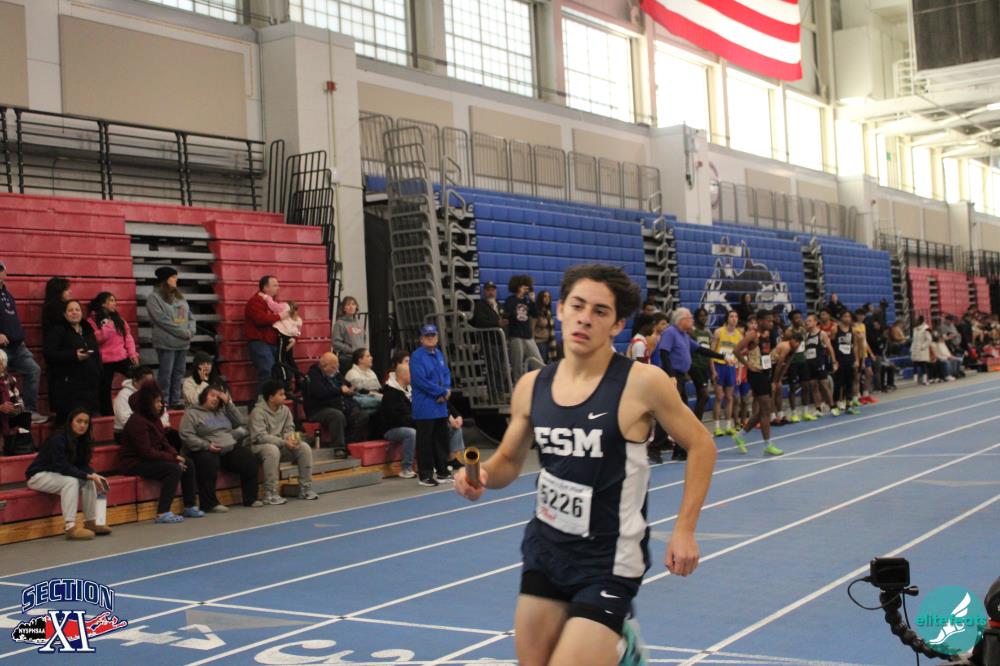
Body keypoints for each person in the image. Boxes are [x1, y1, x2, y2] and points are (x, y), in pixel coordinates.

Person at [453, 264, 716, 666]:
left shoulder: (642, 383)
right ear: (560, 309)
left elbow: (701, 445)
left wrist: (684, 530)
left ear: (617, 324)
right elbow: (507, 460)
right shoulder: (532, 386)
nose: (585, 318)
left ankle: (620, 644)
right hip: (547, 550)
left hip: (608, 560)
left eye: (600, 311)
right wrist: (482, 475)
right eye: (577, 306)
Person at [651, 308, 730, 460]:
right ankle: (655, 446)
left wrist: (722, 357)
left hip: (680, 376)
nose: (692, 321)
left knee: (681, 413)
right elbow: (664, 353)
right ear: (682, 320)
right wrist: (671, 375)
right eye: (690, 318)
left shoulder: (684, 336)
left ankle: (679, 449)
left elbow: (700, 349)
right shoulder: (670, 332)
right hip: (672, 376)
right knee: (670, 412)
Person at [120, 382, 204, 523]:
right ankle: (163, 512)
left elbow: (164, 442)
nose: (161, 405)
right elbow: (145, 452)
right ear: (148, 402)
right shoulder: (136, 422)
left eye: (161, 401)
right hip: (134, 463)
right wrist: (172, 459)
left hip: (149, 459)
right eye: (158, 402)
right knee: (173, 469)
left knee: (187, 463)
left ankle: (189, 506)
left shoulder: (154, 419)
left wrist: (176, 456)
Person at [25, 409, 112, 540]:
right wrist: (88, 475)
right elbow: (62, 466)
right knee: (71, 482)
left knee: (89, 481)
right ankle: (70, 527)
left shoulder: (81, 440)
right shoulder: (57, 439)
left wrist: (94, 475)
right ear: (71, 422)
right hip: (38, 476)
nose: (82, 425)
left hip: (56, 474)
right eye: (79, 421)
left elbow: (82, 465)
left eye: (86, 422)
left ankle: (91, 522)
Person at [179, 384, 260, 511]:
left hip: (227, 450)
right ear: (204, 396)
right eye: (212, 395)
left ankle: (251, 499)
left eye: (218, 397)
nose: (215, 399)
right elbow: (186, 435)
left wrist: (228, 403)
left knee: (248, 458)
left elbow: (239, 422)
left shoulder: (222, 411)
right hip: (204, 450)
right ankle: (209, 504)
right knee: (208, 461)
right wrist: (206, 445)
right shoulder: (192, 413)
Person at [249, 379, 318, 504]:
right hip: (258, 447)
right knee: (272, 450)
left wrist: (290, 439)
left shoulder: (285, 410)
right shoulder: (257, 412)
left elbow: (289, 429)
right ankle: (270, 493)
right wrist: (283, 442)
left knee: (304, 447)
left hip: (280, 445)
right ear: (271, 398)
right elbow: (259, 437)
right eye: (281, 394)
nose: (284, 397)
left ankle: (305, 489)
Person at [731, 309, 784, 456]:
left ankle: (740, 436)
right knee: (766, 410)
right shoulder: (753, 335)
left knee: (762, 411)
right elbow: (736, 350)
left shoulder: (768, 334)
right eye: (768, 320)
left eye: (772, 320)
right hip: (756, 375)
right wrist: (748, 365)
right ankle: (767, 444)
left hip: (765, 373)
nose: (771, 323)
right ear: (760, 321)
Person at [0, 261, 45, 423]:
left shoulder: (7, 294)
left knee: (33, 370)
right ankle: (6, 416)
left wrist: (20, 338)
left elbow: (12, 319)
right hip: (1, 349)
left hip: (17, 345)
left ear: (5, 272)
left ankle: (29, 411)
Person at [43, 300, 101, 424]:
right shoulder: (57, 330)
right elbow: (49, 353)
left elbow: (96, 354)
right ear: (64, 314)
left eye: (77, 310)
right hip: (67, 386)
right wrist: (73, 356)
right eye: (70, 310)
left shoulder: (88, 330)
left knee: (85, 424)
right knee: (66, 423)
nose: (74, 312)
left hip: (89, 385)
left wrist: (97, 372)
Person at [410, 324, 453, 487]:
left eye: (433, 335)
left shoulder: (439, 354)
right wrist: (441, 392)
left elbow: (446, 374)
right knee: (425, 443)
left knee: (441, 440)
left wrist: (446, 390)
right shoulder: (417, 357)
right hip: (425, 407)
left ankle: (442, 471)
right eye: (427, 336)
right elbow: (420, 381)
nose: (430, 338)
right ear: (421, 339)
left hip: (440, 407)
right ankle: (425, 475)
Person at [147, 266, 195, 408]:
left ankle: (175, 400)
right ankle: (164, 400)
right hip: (166, 343)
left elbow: (190, 316)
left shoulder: (180, 297)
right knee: (166, 374)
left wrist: (191, 330)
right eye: (173, 277)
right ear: (165, 280)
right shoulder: (154, 298)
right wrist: (183, 333)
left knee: (179, 373)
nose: (176, 280)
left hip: (182, 343)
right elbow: (162, 321)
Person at [88, 292, 139, 416]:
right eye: (111, 300)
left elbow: (128, 337)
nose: (114, 303)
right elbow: (95, 339)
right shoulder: (92, 320)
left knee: (139, 378)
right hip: (104, 360)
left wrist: (132, 354)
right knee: (104, 389)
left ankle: (141, 407)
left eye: (114, 300)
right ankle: (107, 415)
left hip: (122, 357)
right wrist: (109, 327)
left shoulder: (118, 319)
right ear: (103, 303)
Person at [305, 352, 364, 458]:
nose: (336, 370)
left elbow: (346, 385)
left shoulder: (336, 374)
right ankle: (338, 448)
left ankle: (350, 444)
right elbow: (320, 393)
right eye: (333, 367)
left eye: (337, 367)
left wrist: (350, 389)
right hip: (319, 409)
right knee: (336, 415)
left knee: (361, 414)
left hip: (338, 405)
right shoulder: (313, 375)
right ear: (324, 366)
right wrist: (340, 390)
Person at [245, 275, 288, 395]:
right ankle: (262, 401)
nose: (278, 288)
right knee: (267, 371)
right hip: (260, 341)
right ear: (265, 288)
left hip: (271, 342)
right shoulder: (255, 302)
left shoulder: (272, 303)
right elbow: (260, 319)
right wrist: (279, 316)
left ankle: (272, 400)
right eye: (275, 285)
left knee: (274, 372)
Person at [381, 351, 417, 479]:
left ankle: (435, 462)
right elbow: (394, 418)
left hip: (409, 423)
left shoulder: (411, 390)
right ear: (403, 375)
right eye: (411, 373)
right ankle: (406, 468)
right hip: (391, 429)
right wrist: (416, 421)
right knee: (411, 433)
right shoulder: (390, 393)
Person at [114, 365, 170, 442]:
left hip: (151, 429)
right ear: (135, 380)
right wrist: (149, 426)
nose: (150, 384)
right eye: (146, 381)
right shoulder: (123, 395)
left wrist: (158, 425)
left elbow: (163, 412)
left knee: (172, 436)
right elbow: (125, 420)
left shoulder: (153, 392)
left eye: (151, 381)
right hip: (125, 432)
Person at [711, 310, 742, 436]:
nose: (734, 318)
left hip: (731, 367)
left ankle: (728, 426)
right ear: (727, 318)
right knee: (719, 397)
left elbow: (739, 356)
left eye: (736, 316)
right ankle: (717, 427)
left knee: (729, 397)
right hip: (719, 366)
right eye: (731, 316)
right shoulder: (719, 332)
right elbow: (711, 353)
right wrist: (713, 370)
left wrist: (739, 374)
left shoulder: (739, 335)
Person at [1, 349, 34, 455]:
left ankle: (21, 447)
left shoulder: (10, 380)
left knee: (25, 415)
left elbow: (18, 399)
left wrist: (17, 408)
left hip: (8, 415)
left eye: (1, 363)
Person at [802, 314, 836, 418]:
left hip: (819, 363)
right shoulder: (806, 336)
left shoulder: (822, 334)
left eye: (809, 321)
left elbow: (830, 348)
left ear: (816, 322)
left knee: (824, 385)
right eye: (806, 321)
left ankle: (832, 406)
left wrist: (834, 361)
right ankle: (818, 408)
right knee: (814, 386)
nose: (807, 322)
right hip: (809, 363)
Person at [831, 309, 862, 416]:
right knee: (838, 384)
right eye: (845, 316)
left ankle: (849, 405)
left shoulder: (852, 330)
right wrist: (834, 361)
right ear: (841, 317)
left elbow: (855, 346)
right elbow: (831, 346)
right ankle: (835, 405)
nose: (847, 318)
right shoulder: (835, 329)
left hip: (849, 359)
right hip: (839, 360)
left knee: (849, 383)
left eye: (849, 316)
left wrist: (856, 360)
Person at [332, 296, 366, 371]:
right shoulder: (339, 323)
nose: (351, 307)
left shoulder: (359, 323)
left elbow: (363, 340)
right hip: (347, 359)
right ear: (344, 308)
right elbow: (335, 343)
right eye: (348, 304)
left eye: (353, 304)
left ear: (356, 307)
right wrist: (351, 350)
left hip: (360, 359)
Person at [533, 290, 556, 363]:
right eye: (545, 296)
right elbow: (531, 328)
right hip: (539, 342)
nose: (547, 299)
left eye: (548, 297)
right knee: (540, 364)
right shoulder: (536, 311)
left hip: (548, 342)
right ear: (540, 298)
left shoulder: (548, 312)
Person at [910, 316, 932, 386]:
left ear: (921, 321)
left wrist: (923, 347)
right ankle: (915, 380)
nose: (916, 321)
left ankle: (924, 380)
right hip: (915, 349)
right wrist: (911, 348)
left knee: (923, 365)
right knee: (915, 365)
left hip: (922, 350)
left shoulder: (926, 329)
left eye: (917, 320)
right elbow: (914, 340)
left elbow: (929, 340)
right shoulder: (914, 329)